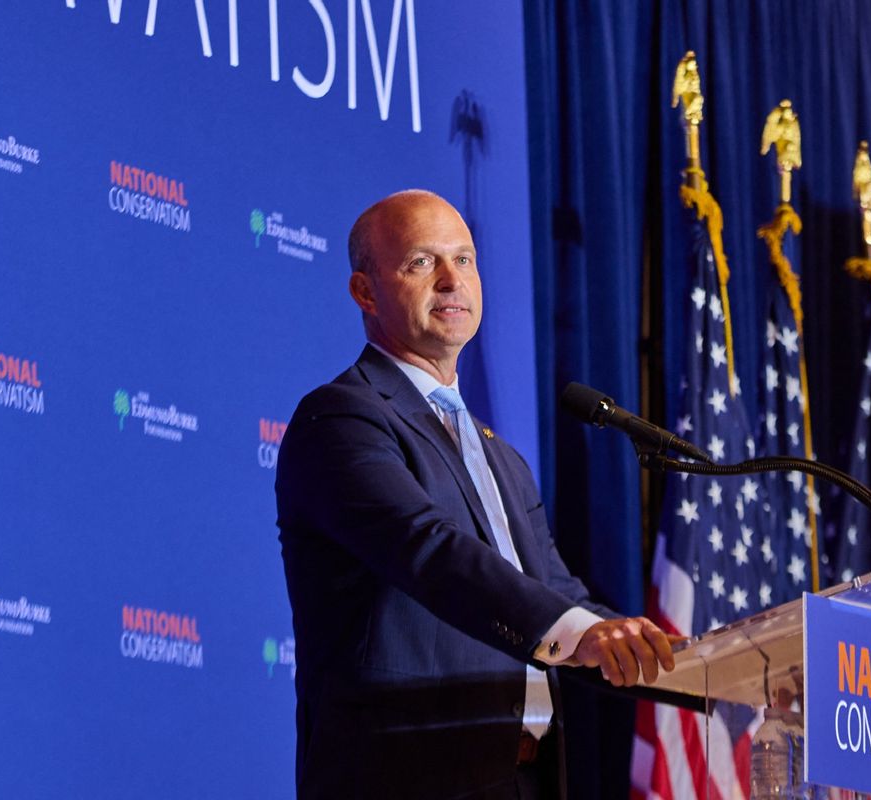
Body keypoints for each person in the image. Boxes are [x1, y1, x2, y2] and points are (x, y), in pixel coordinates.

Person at [275, 190, 675, 799]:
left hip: (525, 778)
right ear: (364, 291)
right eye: (420, 262)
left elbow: (559, 598)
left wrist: (697, 662)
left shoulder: (501, 459)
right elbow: (428, 550)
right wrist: (582, 631)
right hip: (405, 780)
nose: (449, 280)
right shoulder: (340, 419)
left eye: (464, 260)